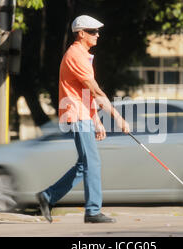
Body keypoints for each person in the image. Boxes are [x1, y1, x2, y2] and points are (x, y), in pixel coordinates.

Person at [36, 15, 130, 224]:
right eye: (93, 31)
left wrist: (96, 120)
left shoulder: (84, 56)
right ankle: (93, 211)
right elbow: (96, 91)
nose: (97, 35)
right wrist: (119, 118)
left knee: (84, 164)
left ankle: (48, 196)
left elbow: (86, 92)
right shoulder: (76, 56)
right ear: (81, 34)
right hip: (76, 114)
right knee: (92, 162)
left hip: (83, 114)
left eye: (97, 31)